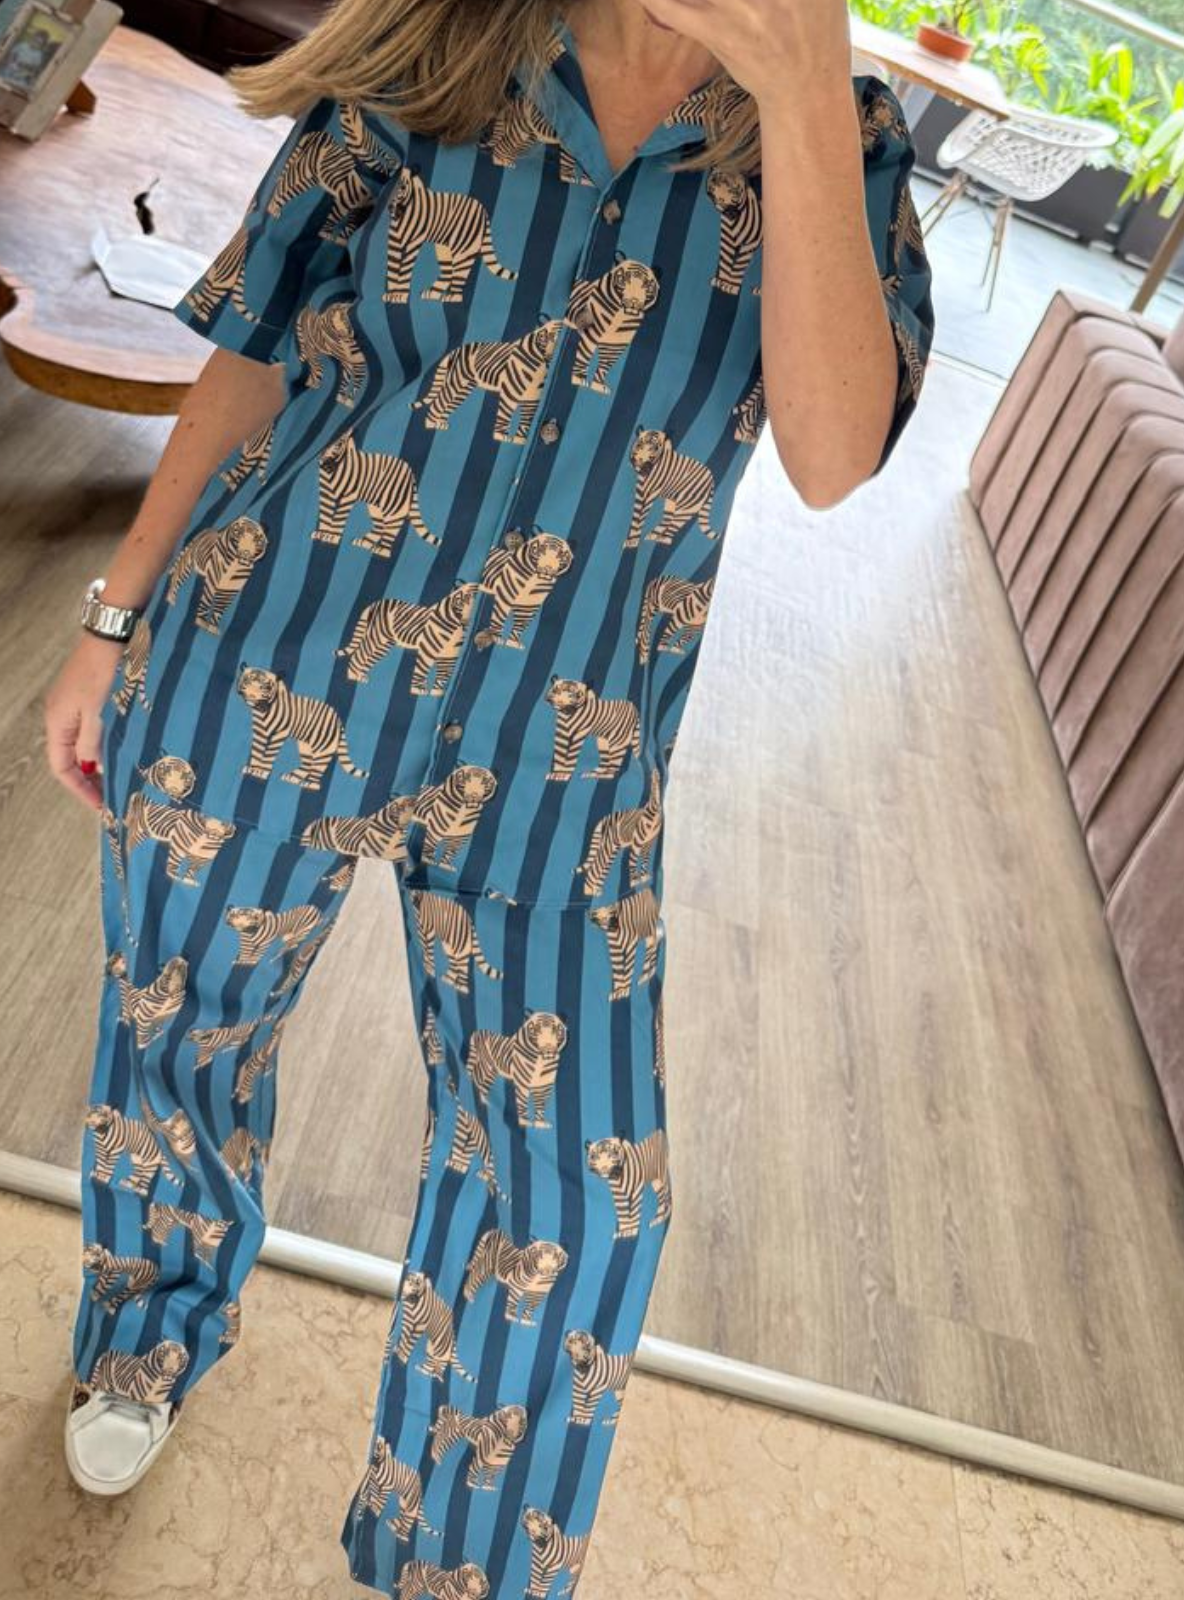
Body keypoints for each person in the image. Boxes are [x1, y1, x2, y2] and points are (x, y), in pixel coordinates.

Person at [44, 0, 934, 1591]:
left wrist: (804, 92)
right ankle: (144, 1334)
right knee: (185, 1025)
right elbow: (258, 352)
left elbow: (830, 456)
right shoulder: (441, 51)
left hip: (566, 753)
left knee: (578, 1199)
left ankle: (446, 1568)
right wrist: (115, 616)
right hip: (275, 650)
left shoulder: (841, 143)